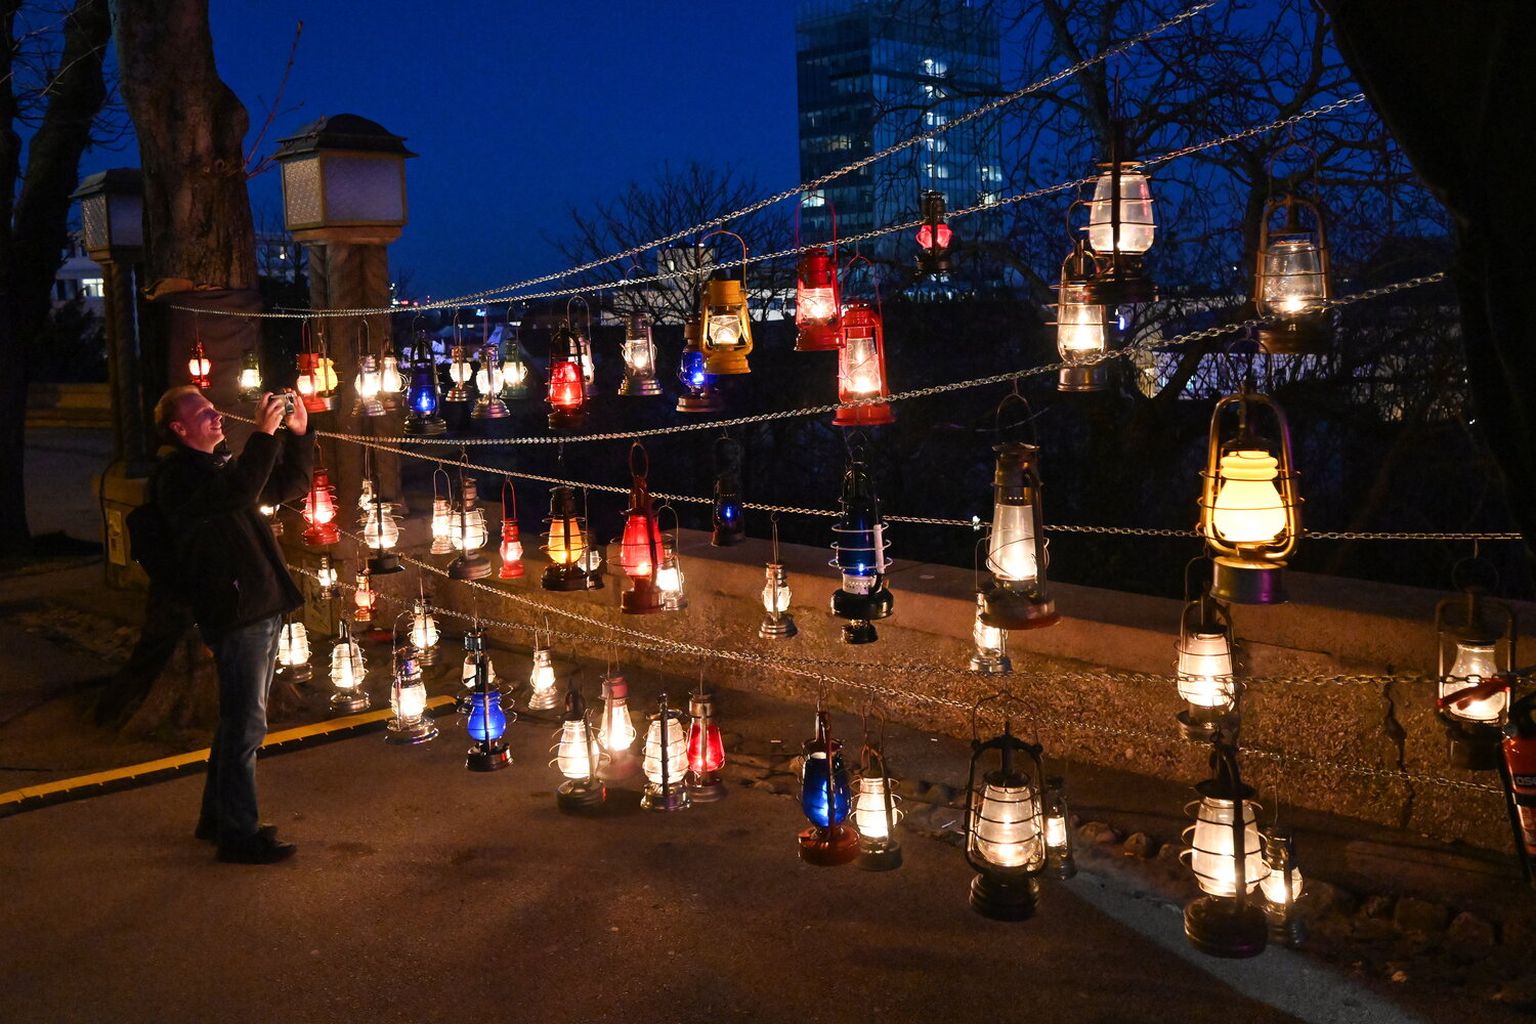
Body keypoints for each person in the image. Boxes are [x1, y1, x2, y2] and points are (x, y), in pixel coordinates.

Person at [152, 385, 313, 864]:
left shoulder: (218, 467)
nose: (215, 415)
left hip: (258, 606)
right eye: (203, 412)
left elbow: (290, 485)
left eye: (212, 407)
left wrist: (299, 435)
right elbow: (241, 490)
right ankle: (239, 836)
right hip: (237, 613)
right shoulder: (178, 478)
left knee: (235, 724)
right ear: (179, 429)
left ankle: (217, 819)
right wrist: (263, 434)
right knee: (246, 726)